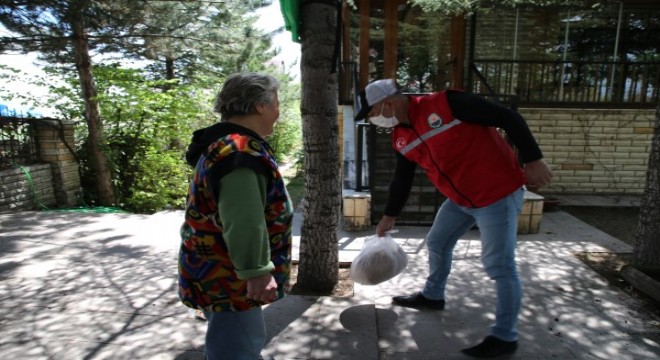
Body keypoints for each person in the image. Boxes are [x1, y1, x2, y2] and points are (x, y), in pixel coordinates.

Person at [355, 79, 553, 358]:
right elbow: (403, 178)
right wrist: (390, 215)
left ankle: (505, 337)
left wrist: (533, 159)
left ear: (389, 102)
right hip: (459, 200)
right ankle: (433, 296)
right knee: (437, 242)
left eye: (372, 112)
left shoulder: (448, 104)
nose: (375, 119)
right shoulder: (401, 136)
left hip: (496, 195)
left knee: (499, 265)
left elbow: (509, 117)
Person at [178, 72, 293, 360]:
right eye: (276, 103)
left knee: (232, 343)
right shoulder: (239, 152)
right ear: (259, 106)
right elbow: (243, 219)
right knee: (236, 350)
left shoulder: (226, 144)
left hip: (217, 271)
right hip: (228, 279)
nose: (278, 111)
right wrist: (256, 272)